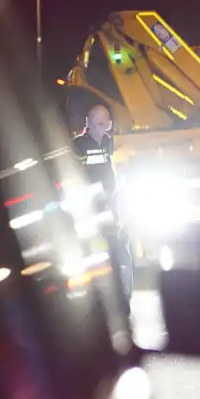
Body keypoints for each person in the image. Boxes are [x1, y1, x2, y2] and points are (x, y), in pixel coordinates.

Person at [71, 104, 133, 311]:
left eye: (103, 123)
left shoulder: (109, 141)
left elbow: (114, 167)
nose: (99, 127)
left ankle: (123, 296)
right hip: (89, 209)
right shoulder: (78, 145)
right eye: (95, 123)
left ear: (109, 124)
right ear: (87, 124)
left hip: (110, 206)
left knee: (119, 248)